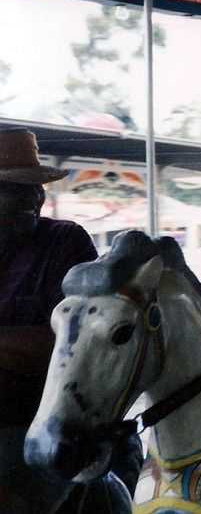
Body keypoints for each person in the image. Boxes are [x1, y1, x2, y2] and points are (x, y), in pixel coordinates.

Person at [0, 127, 142, 512]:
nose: (33, 196)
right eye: (14, 187)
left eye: (36, 186)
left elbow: (74, 346)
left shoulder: (64, 242)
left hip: (42, 420)